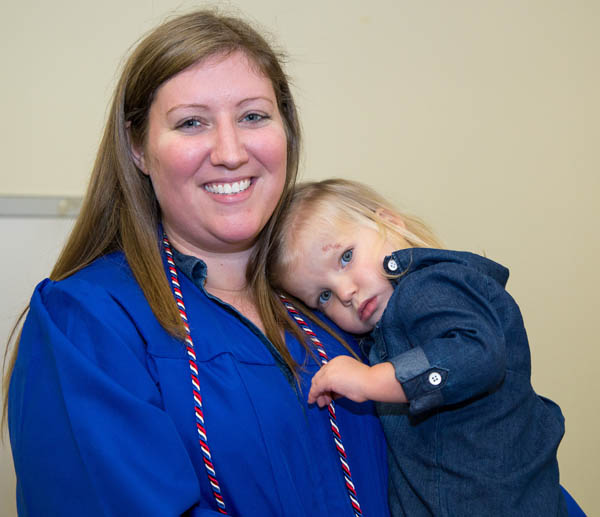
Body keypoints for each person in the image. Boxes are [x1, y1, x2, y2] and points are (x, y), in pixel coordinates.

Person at [3, 12, 390, 516]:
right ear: (139, 147)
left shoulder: (341, 299)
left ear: (287, 131)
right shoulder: (88, 324)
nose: (230, 152)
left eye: (253, 116)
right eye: (191, 122)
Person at [267, 178, 570, 516]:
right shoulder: (381, 331)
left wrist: (370, 380)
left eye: (346, 257)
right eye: (323, 296)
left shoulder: (427, 286)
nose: (345, 293)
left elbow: (478, 353)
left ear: (390, 223)